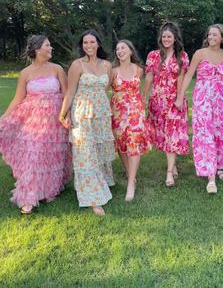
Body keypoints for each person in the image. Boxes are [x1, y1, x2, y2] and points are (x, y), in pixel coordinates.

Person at [0, 35, 72, 213]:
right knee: (33, 156)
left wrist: (67, 116)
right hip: (33, 120)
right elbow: (18, 97)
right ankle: (27, 197)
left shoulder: (57, 69)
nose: (51, 48)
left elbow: (66, 94)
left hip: (55, 120)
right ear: (38, 49)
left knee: (51, 157)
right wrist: (5, 118)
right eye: (48, 45)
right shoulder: (25, 73)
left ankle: (49, 189)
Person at [59, 29, 115, 216]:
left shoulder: (107, 65)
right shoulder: (77, 65)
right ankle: (93, 197)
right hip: (82, 113)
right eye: (85, 43)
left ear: (98, 43)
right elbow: (70, 91)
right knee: (85, 152)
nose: (89, 46)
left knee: (98, 150)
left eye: (92, 42)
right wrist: (63, 114)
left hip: (101, 114)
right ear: (81, 45)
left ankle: (101, 182)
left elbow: (104, 89)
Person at [175, 24, 223, 193]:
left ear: (222, 37)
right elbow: (188, 75)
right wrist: (180, 97)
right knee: (205, 132)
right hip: (202, 96)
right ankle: (210, 177)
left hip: (219, 98)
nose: (211, 37)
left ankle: (221, 167)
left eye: (214, 35)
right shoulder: (200, 54)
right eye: (209, 34)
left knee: (220, 131)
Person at [143, 21, 189, 187]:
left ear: (175, 38)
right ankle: (173, 163)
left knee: (173, 134)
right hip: (158, 100)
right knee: (163, 134)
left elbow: (182, 78)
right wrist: (143, 97)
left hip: (174, 99)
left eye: (169, 36)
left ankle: (169, 173)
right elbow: (148, 77)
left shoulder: (182, 56)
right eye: (164, 37)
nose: (166, 39)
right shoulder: (153, 55)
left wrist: (179, 98)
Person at [111, 40, 151, 201]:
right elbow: (103, 88)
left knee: (134, 143)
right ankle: (131, 176)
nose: (120, 51)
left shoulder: (139, 70)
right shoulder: (112, 71)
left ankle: (130, 184)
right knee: (121, 144)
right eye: (117, 49)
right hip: (117, 111)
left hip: (135, 110)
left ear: (131, 51)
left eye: (123, 48)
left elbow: (153, 78)